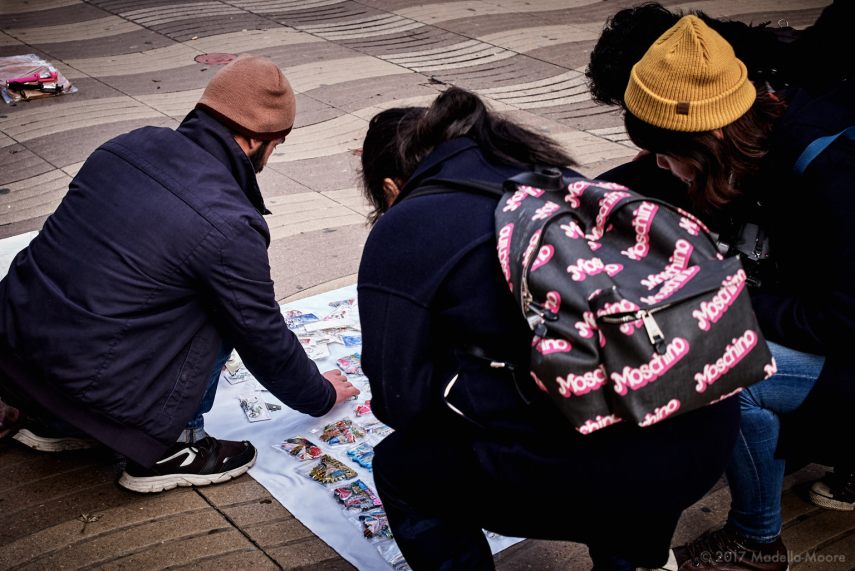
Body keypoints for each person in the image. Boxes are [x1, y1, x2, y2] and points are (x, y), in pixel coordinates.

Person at [355, 87, 742, 570]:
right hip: (709, 435)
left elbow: (400, 402)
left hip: (614, 468)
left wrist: (466, 381)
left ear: (392, 188)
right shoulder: (557, 179)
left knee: (401, 469)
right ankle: (638, 559)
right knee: (612, 420)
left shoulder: (408, 224)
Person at [0, 54, 359, 494]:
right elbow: (259, 333)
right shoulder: (228, 221)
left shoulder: (126, 145)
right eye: (276, 144)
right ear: (254, 139)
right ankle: (175, 447)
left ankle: (54, 420)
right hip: (91, 381)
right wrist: (319, 395)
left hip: (15, 355)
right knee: (220, 308)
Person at [619, 15, 854, 567]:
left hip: (846, 340)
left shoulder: (828, 173)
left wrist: (727, 300)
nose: (659, 166)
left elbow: (842, 320)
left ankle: (756, 541)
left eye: (664, 154)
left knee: (722, 374)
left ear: (711, 135)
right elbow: (637, 185)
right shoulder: (744, 131)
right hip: (808, 315)